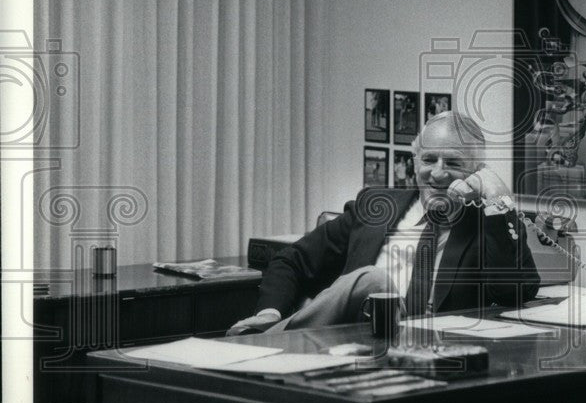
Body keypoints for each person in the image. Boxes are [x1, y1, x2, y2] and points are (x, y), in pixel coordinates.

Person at [227, 112, 540, 335]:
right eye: (429, 160)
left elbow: (516, 292)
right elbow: (292, 260)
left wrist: (499, 200)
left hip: (428, 350)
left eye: (454, 163)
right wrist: (269, 311)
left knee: (373, 282)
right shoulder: (374, 206)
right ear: (415, 161)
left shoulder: (489, 224)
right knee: (373, 283)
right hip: (351, 340)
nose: (438, 173)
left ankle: (265, 344)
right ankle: (270, 336)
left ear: (477, 171)